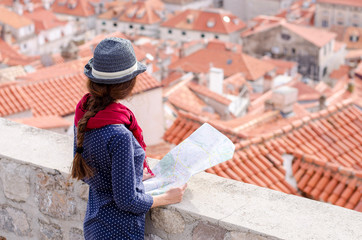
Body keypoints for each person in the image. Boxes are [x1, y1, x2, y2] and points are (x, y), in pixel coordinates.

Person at [71, 37, 187, 240]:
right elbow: (127, 201)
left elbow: (91, 170)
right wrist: (167, 197)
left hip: (95, 222)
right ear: (129, 84)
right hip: (119, 231)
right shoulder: (120, 135)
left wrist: (131, 176)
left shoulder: (84, 112)